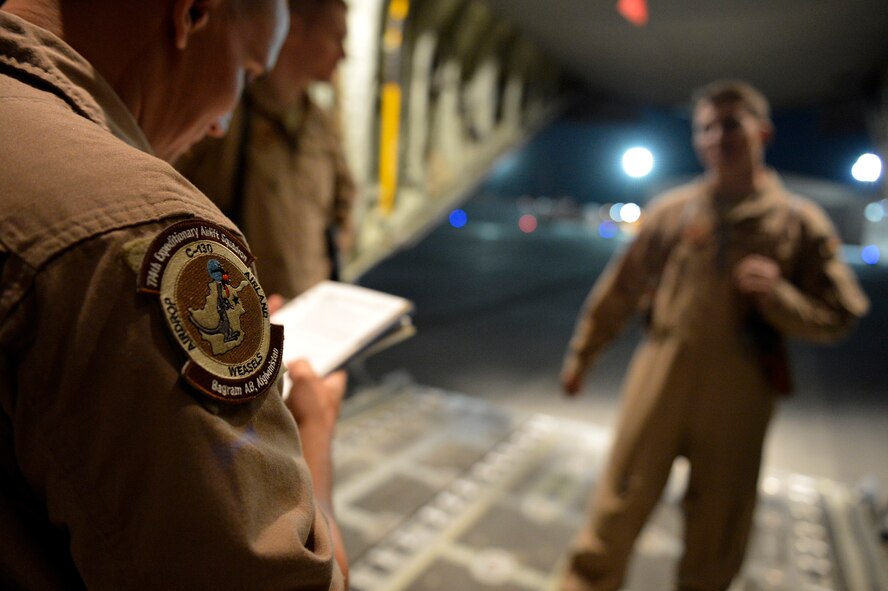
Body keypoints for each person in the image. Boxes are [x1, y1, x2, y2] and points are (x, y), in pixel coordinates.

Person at [0, 1, 348, 588]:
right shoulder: (134, 231)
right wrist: (313, 432)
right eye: (246, 73)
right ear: (191, 13)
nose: (220, 125)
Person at [560, 80, 870, 591]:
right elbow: (618, 291)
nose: (716, 137)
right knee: (615, 508)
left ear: (762, 132)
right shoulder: (673, 211)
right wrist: (582, 357)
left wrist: (780, 298)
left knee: (718, 531)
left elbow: (840, 315)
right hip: (662, 373)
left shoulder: (797, 222)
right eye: (705, 127)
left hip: (740, 390)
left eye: (730, 123)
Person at [178, 0, 355, 300]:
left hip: (311, 309)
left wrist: (332, 257)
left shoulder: (319, 123)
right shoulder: (226, 116)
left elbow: (344, 197)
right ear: (295, 30)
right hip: (247, 317)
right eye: (335, 38)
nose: (343, 54)